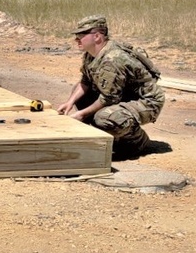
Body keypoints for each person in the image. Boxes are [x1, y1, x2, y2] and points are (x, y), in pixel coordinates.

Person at [57, 15, 165, 156]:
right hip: (124, 96)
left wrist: (81, 114)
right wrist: (69, 103)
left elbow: (108, 99)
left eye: (81, 35)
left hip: (147, 102)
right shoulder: (91, 54)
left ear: (97, 37)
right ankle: (113, 134)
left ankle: (138, 141)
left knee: (104, 118)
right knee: (80, 95)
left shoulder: (112, 59)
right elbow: (85, 81)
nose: (76, 39)